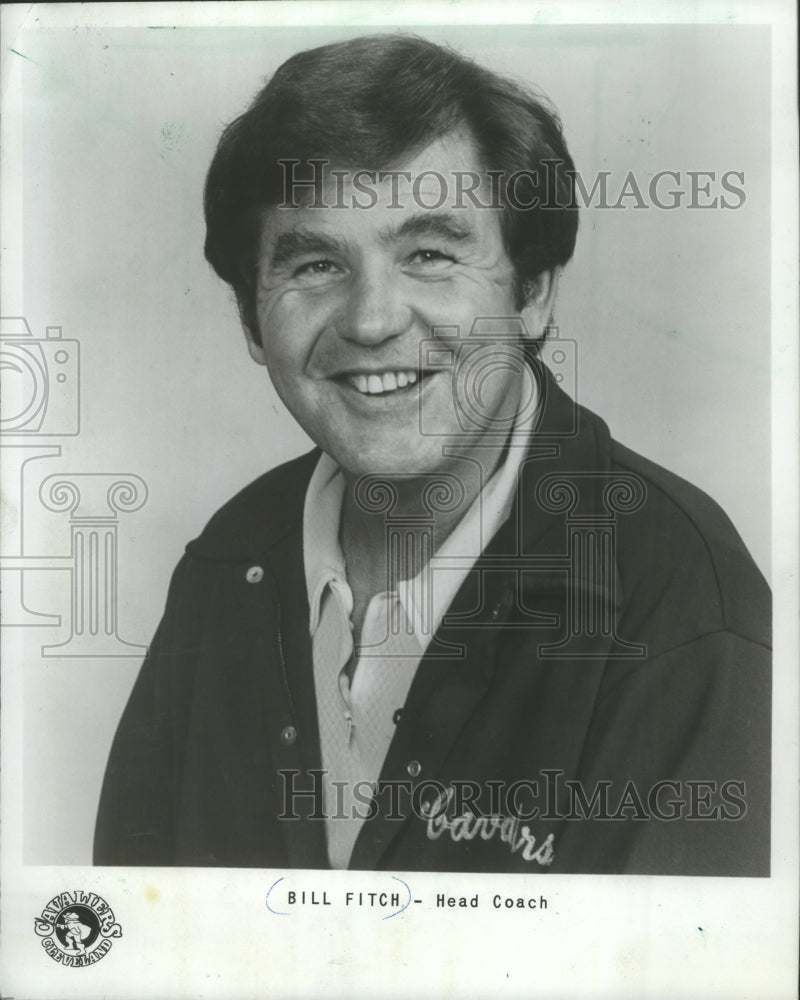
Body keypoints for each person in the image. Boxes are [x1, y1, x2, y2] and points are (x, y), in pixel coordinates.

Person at [94, 34, 770, 875]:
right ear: (249, 323)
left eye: (429, 254)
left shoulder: (685, 606)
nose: (372, 320)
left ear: (532, 292)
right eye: (314, 262)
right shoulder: (230, 558)